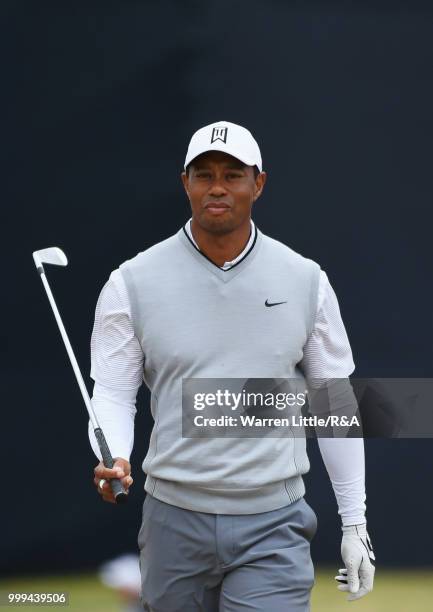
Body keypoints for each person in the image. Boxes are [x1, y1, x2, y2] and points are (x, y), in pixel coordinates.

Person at [90, 120, 375, 611]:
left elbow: (334, 404)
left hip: (273, 521)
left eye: (233, 173)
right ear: (185, 183)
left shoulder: (306, 280)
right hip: (172, 521)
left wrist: (355, 523)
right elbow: (114, 393)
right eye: (203, 174)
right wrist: (115, 454)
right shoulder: (130, 283)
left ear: (258, 183)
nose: (217, 186)